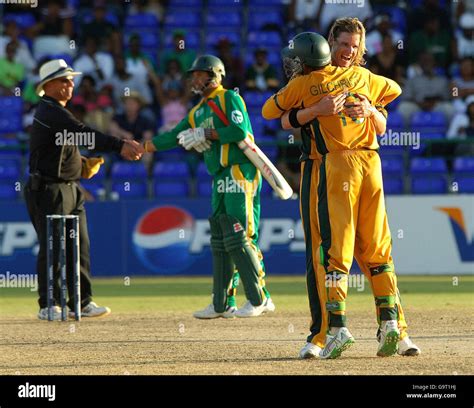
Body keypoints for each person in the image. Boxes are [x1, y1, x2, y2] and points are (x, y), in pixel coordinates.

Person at [262, 29, 417, 359]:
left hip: (334, 164)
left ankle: (335, 329)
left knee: (332, 250)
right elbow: (285, 119)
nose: (349, 50)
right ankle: (389, 326)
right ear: (329, 44)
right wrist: (324, 109)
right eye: (343, 44)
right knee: (375, 250)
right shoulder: (356, 77)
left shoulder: (322, 79)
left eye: (354, 45)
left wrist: (370, 110)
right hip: (361, 162)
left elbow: (271, 113)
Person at [142, 55, 274, 318]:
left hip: (240, 171)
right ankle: (222, 303)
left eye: (199, 74)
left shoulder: (229, 99)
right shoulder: (197, 110)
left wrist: (208, 134)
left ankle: (261, 298)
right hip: (219, 176)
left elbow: (240, 132)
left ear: (215, 74)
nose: (194, 79)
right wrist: (143, 147)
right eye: (193, 75)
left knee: (241, 234)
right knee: (221, 237)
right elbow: (173, 136)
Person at [24, 59, 143, 320]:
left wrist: (80, 165)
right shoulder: (50, 111)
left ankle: (82, 300)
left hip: (70, 188)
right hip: (48, 189)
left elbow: (69, 142)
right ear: (49, 85)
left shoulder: (56, 111)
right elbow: (83, 134)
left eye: (71, 79)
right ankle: (49, 304)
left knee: (80, 246)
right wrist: (119, 145)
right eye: (64, 79)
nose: (71, 83)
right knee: (53, 247)